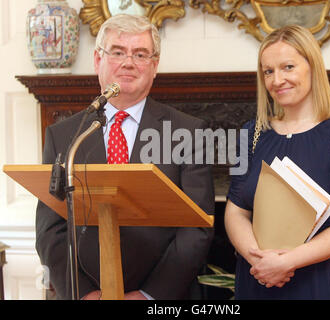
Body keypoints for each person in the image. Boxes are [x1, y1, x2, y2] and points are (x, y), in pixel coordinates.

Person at [35, 14, 214, 300]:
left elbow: (198, 226)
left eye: (140, 54)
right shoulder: (65, 135)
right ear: (97, 60)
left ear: (154, 66)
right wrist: (84, 294)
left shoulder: (188, 132)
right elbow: (50, 229)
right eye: (117, 52)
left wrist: (148, 295)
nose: (128, 62)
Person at [224, 25, 330, 299]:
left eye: (288, 67)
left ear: (312, 67)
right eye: (268, 71)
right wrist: (260, 262)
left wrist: (287, 262)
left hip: (319, 281)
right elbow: (235, 212)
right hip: (258, 279)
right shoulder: (251, 133)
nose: (277, 80)